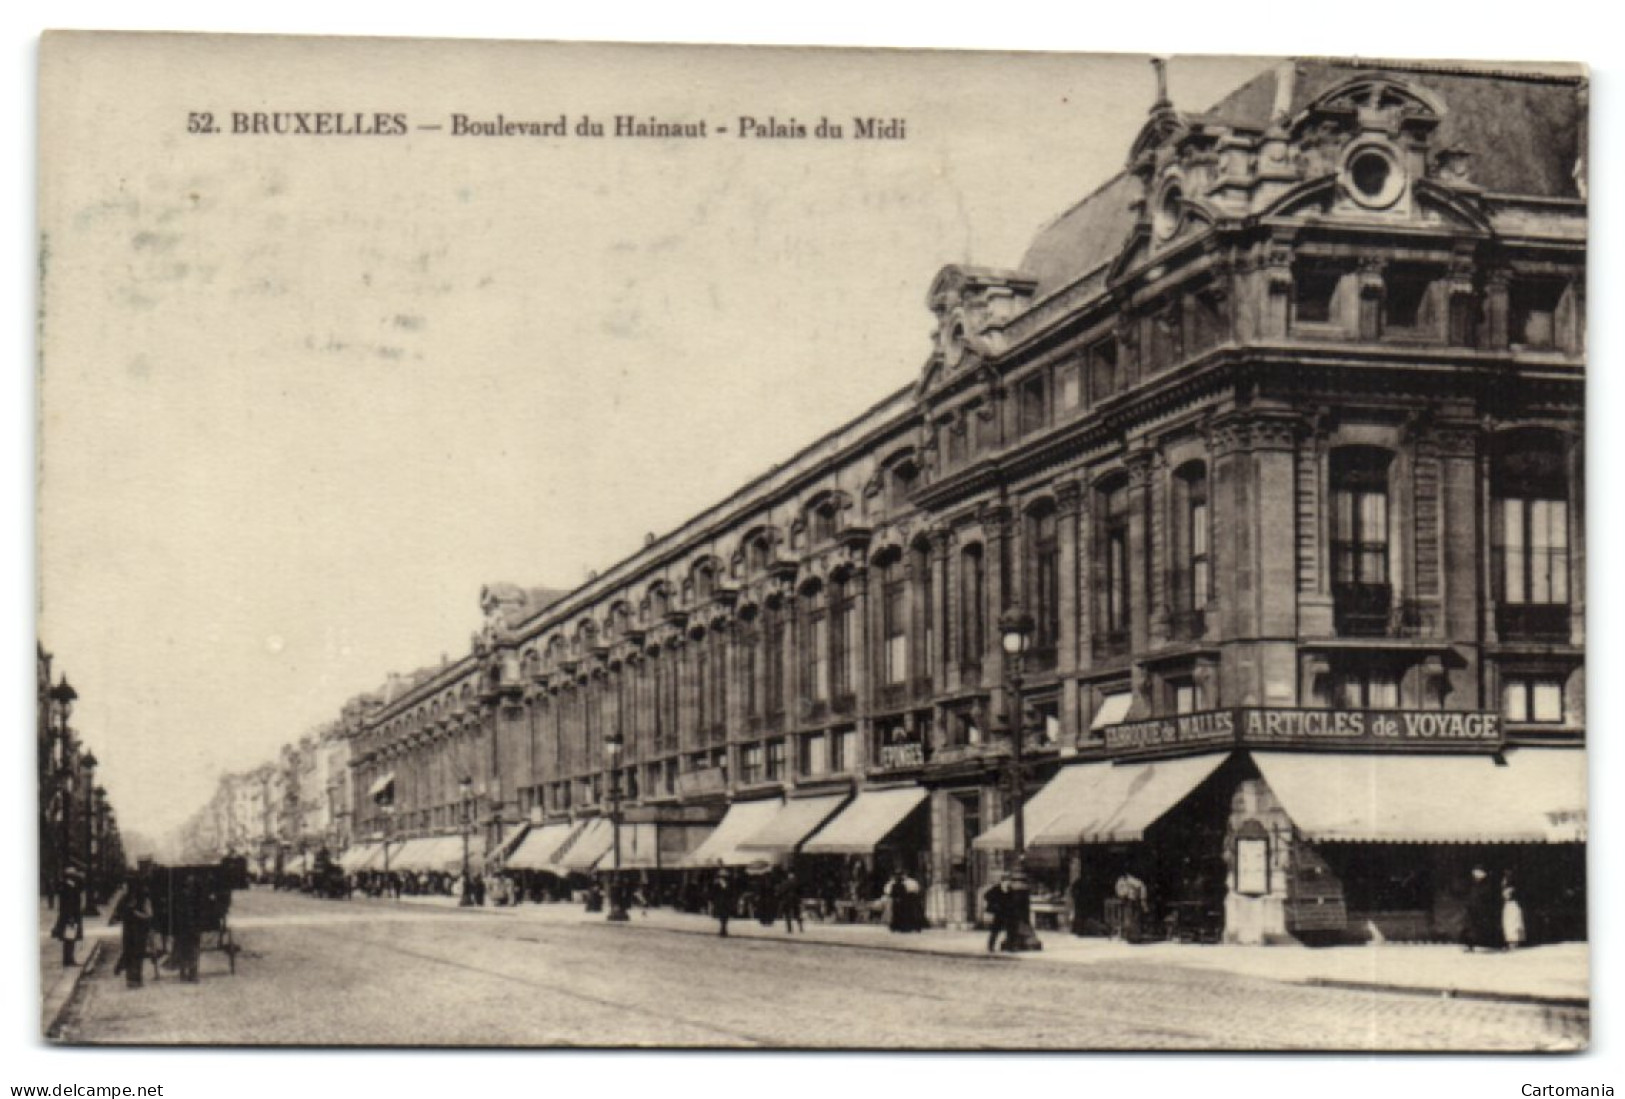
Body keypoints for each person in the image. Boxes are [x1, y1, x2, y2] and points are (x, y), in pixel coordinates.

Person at [109, 877, 154, 988]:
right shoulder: (136, 898)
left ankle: (134, 978)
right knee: (134, 953)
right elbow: (149, 915)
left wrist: (133, 913)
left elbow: (148, 915)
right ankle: (133, 978)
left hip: (136, 929)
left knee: (134, 952)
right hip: (133, 930)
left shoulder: (139, 898)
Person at [51, 864, 86, 967]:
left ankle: (69, 958)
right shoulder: (68, 887)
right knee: (69, 937)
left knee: (70, 937)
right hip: (70, 915)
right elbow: (69, 903)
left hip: (69, 915)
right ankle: (68, 959)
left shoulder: (69, 885)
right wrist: (70, 917)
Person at [1463, 864, 1501, 952]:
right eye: (1475, 874)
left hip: (1482, 909)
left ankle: (1493, 944)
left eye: (1479, 874)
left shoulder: (1487, 885)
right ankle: (1469, 945)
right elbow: (1470, 895)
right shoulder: (1472, 884)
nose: (1477, 876)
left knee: (1482, 927)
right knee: (1470, 927)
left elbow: (1489, 897)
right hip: (1472, 908)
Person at [1115, 870, 1148, 943]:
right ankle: (1129, 937)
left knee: (1135, 919)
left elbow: (1141, 888)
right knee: (1128, 919)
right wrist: (1123, 894)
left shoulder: (1135, 881)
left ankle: (1135, 937)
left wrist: (1142, 899)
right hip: (1126, 901)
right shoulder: (1121, 880)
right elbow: (1119, 889)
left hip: (1135, 901)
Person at [1502, 872, 1527, 950]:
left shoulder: (1512, 889)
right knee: (1509, 924)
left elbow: (1510, 896)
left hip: (1513, 906)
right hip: (1508, 906)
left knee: (1514, 924)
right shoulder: (1506, 889)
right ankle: (1511, 942)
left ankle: (1516, 942)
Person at [709, 869, 735, 937]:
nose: (722, 878)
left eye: (724, 877)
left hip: (726, 902)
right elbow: (713, 893)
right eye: (721, 876)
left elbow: (731, 892)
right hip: (719, 902)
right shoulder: (716, 884)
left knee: (725, 916)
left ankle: (723, 929)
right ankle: (723, 929)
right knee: (721, 916)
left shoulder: (729, 883)